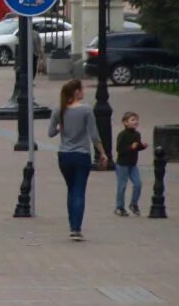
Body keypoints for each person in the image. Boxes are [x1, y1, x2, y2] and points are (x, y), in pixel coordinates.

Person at [49, 79, 106, 241]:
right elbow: (94, 135)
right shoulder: (86, 110)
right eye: (81, 89)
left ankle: (72, 225)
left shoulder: (58, 109)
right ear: (76, 92)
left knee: (71, 189)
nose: (83, 92)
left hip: (64, 155)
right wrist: (103, 153)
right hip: (82, 155)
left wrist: (61, 126)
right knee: (79, 191)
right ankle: (76, 228)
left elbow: (51, 132)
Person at [114, 111, 147, 216]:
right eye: (132, 120)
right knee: (122, 186)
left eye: (136, 119)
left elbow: (137, 147)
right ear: (125, 122)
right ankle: (119, 207)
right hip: (122, 164)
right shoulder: (122, 135)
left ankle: (134, 204)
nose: (135, 121)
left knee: (138, 184)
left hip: (133, 164)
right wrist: (130, 147)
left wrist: (142, 146)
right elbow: (119, 149)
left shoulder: (137, 134)